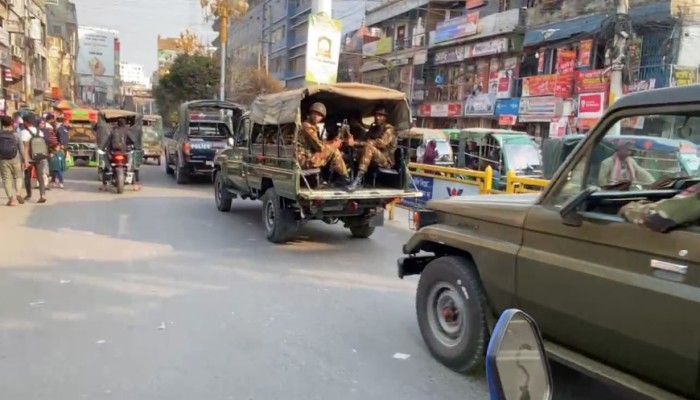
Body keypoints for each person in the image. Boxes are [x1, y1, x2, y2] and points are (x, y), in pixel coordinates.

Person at [297, 102, 352, 187]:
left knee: (333, 148)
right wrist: (333, 145)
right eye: (314, 113)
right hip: (304, 160)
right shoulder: (307, 126)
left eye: (319, 115)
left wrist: (331, 142)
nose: (316, 116)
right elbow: (318, 146)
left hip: (309, 157)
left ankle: (343, 178)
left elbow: (319, 142)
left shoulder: (313, 126)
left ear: (322, 118)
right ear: (310, 113)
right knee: (333, 149)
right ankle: (344, 177)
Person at [346, 106, 397, 191]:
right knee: (352, 150)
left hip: (386, 159)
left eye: (380, 115)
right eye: (376, 115)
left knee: (368, 147)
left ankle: (358, 181)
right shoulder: (374, 127)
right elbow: (365, 139)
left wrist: (356, 143)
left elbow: (381, 143)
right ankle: (347, 177)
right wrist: (351, 142)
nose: (377, 117)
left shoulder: (389, 129)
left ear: (385, 117)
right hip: (374, 156)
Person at [0, 115, 27, 205]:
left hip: (3, 159)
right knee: (18, 176)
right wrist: (25, 161)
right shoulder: (16, 135)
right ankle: (18, 193)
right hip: (15, 158)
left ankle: (11, 199)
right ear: (11, 123)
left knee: (6, 179)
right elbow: (22, 149)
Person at [20, 118, 48, 203]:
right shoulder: (40, 131)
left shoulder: (24, 132)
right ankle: (42, 195)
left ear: (25, 122)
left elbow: (25, 148)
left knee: (27, 177)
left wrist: (25, 161)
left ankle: (29, 195)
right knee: (40, 176)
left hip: (29, 158)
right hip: (40, 156)